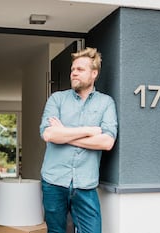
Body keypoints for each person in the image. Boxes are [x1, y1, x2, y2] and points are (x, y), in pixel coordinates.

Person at [39, 47, 118, 233]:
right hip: (54, 181)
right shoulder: (56, 99)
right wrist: (89, 131)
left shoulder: (106, 103)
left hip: (86, 183)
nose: (74, 73)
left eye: (80, 69)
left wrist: (64, 134)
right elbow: (49, 135)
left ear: (94, 73)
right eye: (73, 69)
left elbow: (107, 142)